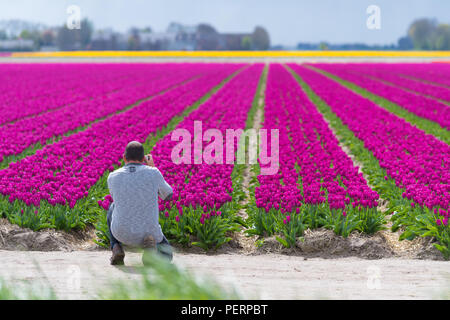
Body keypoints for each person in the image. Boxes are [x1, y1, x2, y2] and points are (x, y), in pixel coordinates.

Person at [106, 141, 173, 265]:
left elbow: (118, 198)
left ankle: (116, 247)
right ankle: (150, 254)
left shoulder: (112, 176)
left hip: (121, 233)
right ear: (143, 159)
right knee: (167, 255)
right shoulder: (153, 172)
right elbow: (168, 195)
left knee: (113, 206)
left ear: (124, 158)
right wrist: (153, 167)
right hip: (150, 233)